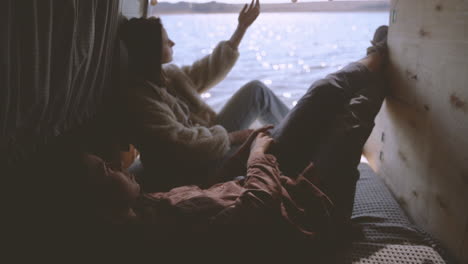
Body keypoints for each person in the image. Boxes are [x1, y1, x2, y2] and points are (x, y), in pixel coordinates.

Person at [84, 25, 389, 261]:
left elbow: (215, 188)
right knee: (345, 113)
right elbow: (256, 207)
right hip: (307, 213)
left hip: (272, 184)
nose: (121, 168)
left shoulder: (150, 203)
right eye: (108, 171)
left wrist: (248, 151)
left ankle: (376, 57)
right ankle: (382, 57)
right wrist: (255, 155)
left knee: (323, 98)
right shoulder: (160, 236)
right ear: (102, 209)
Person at [120, 0, 289, 192]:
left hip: (210, 140)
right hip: (194, 166)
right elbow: (182, 143)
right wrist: (232, 137)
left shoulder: (167, 76)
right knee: (259, 139)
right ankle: (296, 142)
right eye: (166, 41)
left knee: (256, 90)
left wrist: (241, 28)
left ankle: (293, 129)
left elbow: (210, 69)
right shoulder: (141, 98)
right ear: (151, 50)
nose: (173, 42)